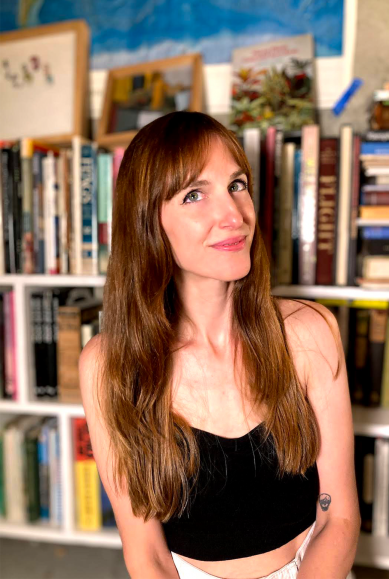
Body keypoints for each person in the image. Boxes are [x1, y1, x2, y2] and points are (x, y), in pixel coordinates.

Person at [79, 111, 360, 579]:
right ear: (149, 223)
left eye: (237, 185)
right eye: (194, 194)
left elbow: (340, 515)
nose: (234, 215)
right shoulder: (109, 366)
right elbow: (146, 552)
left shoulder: (310, 331)